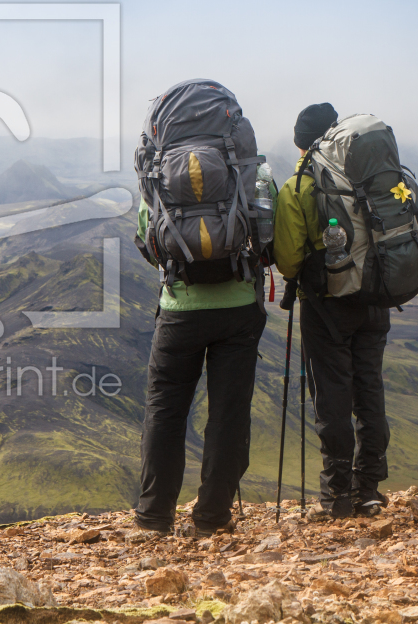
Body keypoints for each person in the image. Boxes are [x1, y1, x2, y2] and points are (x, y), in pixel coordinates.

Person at [132, 88, 273, 538]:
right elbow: (268, 237)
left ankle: (154, 517)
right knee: (229, 415)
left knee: (166, 411)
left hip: (179, 311)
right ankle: (212, 517)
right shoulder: (253, 172)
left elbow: (148, 239)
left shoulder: (158, 176)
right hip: (238, 310)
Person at [273, 102, 392, 519]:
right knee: (369, 391)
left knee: (333, 400)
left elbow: (287, 261)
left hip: (327, 307)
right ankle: (370, 488)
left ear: (302, 144)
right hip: (376, 298)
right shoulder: (371, 175)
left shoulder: (299, 186)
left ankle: (337, 495)